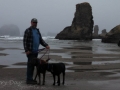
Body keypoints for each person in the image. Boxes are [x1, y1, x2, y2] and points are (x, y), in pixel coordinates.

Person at [23, 18, 50, 84]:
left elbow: (40, 40)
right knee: (30, 66)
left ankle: (32, 79)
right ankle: (29, 79)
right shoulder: (28, 30)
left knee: (37, 66)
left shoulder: (37, 31)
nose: (35, 23)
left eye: (36, 22)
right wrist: (26, 50)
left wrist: (46, 45)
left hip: (36, 52)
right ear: (31, 22)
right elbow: (25, 41)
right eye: (33, 22)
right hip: (30, 52)